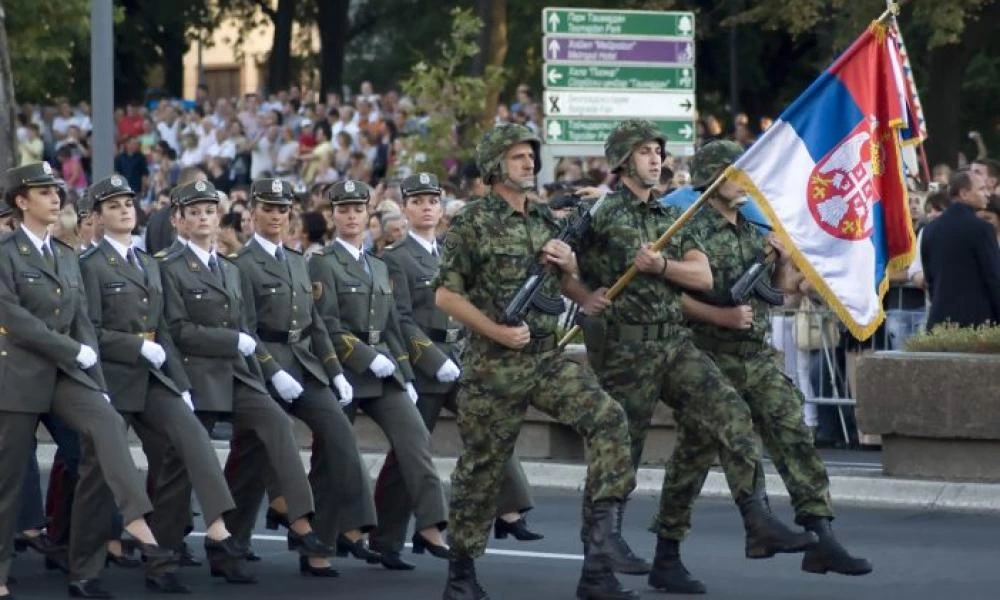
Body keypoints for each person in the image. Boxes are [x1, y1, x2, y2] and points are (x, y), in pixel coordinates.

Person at [569, 122, 817, 593]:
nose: (655, 159)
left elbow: (700, 277)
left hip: (674, 342)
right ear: (623, 161)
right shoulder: (599, 214)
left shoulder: (669, 216)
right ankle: (598, 565)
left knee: (732, 414)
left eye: (658, 151)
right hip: (625, 348)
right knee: (620, 454)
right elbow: (558, 262)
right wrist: (582, 295)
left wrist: (660, 265)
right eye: (645, 152)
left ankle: (758, 518)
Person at [435, 124, 638, 600]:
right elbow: (446, 295)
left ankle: (601, 549)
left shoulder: (546, 219)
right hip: (492, 366)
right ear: (494, 166)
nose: (529, 163)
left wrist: (575, 280)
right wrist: (498, 331)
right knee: (482, 471)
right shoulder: (471, 222)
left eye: (530, 156)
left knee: (609, 419)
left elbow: (565, 288)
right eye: (517, 157)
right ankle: (461, 573)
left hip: (546, 358)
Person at [669, 141, 872, 588]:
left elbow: (779, 294)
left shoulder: (751, 228)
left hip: (754, 355)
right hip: (706, 356)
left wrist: (782, 262)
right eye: (736, 173)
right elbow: (670, 298)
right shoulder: (687, 229)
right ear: (713, 178)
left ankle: (821, 535)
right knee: (693, 457)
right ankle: (670, 550)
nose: (746, 181)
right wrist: (718, 314)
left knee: (793, 432)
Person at [0, 162, 182, 599]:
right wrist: (72, 351)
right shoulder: (5, 254)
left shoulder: (64, 255)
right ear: (21, 202)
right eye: (43, 192)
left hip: (67, 373)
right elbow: (14, 319)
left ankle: (129, 534)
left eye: (56, 190)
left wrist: (96, 378)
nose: (55, 197)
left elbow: (81, 319)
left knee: (106, 425)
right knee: (7, 482)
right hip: (20, 375)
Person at [159, 179, 333, 582]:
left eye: (209, 211)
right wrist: (228, 341)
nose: (203, 219)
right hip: (196, 375)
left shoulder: (229, 267)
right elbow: (178, 330)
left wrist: (267, 372)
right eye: (194, 212)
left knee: (276, 424)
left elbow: (248, 330)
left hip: (237, 373)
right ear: (178, 220)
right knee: (179, 467)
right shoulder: (167, 266)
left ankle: (300, 519)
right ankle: (162, 555)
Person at [78, 174, 248, 587]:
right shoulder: (90, 265)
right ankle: (83, 569)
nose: (124, 211)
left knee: (191, 437)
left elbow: (164, 331)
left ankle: (215, 529)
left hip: (153, 377)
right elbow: (91, 330)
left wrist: (180, 380)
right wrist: (135, 347)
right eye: (114, 206)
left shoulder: (148, 263)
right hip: (113, 378)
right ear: (98, 217)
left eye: (128, 204)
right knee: (98, 475)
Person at [373, 172, 541, 571]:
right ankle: (388, 537)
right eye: (418, 202)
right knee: (408, 454)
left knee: (487, 425)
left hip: (459, 354)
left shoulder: (450, 250)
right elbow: (400, 319)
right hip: (424, 362)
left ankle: (510, 511)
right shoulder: (394, 259)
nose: (427, 207)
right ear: (406, 208)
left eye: (433, 200)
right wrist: (432, 360)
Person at [230, 178, 379, 577]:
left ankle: (351, 528)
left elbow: (316, 326)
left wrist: (334, 373)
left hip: (305, 364)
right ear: (253, 214)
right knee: (251, 459)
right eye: (269, 208)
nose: (277, 216)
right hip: (264, 368)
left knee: (340, 434)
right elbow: (245, 329)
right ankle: (231, 544)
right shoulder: (241, 265)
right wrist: (273, 371)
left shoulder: (297, 260)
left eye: (283, 209)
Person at [309, 179, 450, 570]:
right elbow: (327, 324)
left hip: (384, 369)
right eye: (343, 210)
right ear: (333, 215)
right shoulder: (321, 262)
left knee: (414, 437)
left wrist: (404, 372)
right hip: (345, 368)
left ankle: (432, 524)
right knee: (332, 456)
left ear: (368, 215)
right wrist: (366, 358)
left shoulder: (376, 264)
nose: (351, 216)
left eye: (358, 209)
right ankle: (320, 545)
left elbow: (392, 325)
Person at [921, 170, 1000, 329]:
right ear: (964, 193)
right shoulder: (982, 229)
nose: (987, 194)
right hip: (977, 323)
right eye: (981, 189)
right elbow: (994, 277)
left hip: (939, 322)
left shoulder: (930, 229)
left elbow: (930, 278)